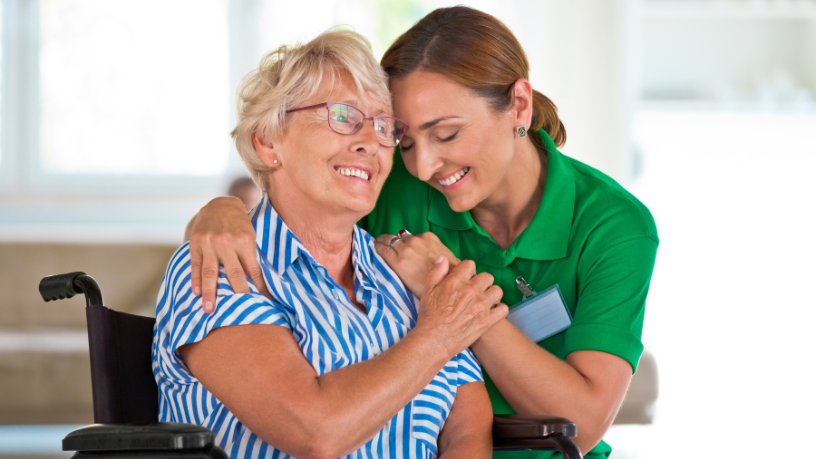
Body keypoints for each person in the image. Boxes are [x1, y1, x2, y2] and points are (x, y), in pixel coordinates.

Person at [186, 7, 658, 459]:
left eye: (447, 134)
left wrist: (451, 292)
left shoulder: (613, 225)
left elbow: (582, 423)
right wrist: (221, 209)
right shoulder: (392, 183)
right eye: (405, 141)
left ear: (519, 105)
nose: (425, 165)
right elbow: (295, 202)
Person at [153, 29, 508, 459]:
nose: (370, 142)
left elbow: (468, 429)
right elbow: (316, 431)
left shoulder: (402, 270)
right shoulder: (221, 264)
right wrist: (437, 336)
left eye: (383, 126)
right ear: (267, 141)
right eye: (342, 116)